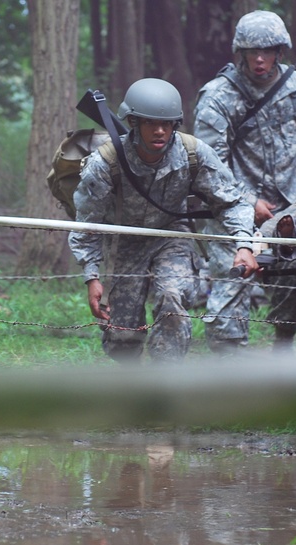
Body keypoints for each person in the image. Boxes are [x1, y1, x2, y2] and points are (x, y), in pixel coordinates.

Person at [67, 78, 260, 363]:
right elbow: (89, 223)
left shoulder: (193, 153)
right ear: (133, 122)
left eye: (167, 124)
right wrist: (91, 277)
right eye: (150, 123)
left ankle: (165, 381)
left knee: (172, 296)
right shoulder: (105, 163)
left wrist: (244, 245)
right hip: (125, 241)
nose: (160, 130)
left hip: (172, 237)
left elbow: (232, 202)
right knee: (123, 334)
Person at [194, 10, 296, 352]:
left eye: (268, 51)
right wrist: (245, 201)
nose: (259, 59)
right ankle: (229, 362)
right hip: (229, 208)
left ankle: (283, 345)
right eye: (251, 51)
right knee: (232, 277)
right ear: (239, 52)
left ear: (280, 51)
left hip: (289, 206)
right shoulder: (218, 96)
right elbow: (210, 165)